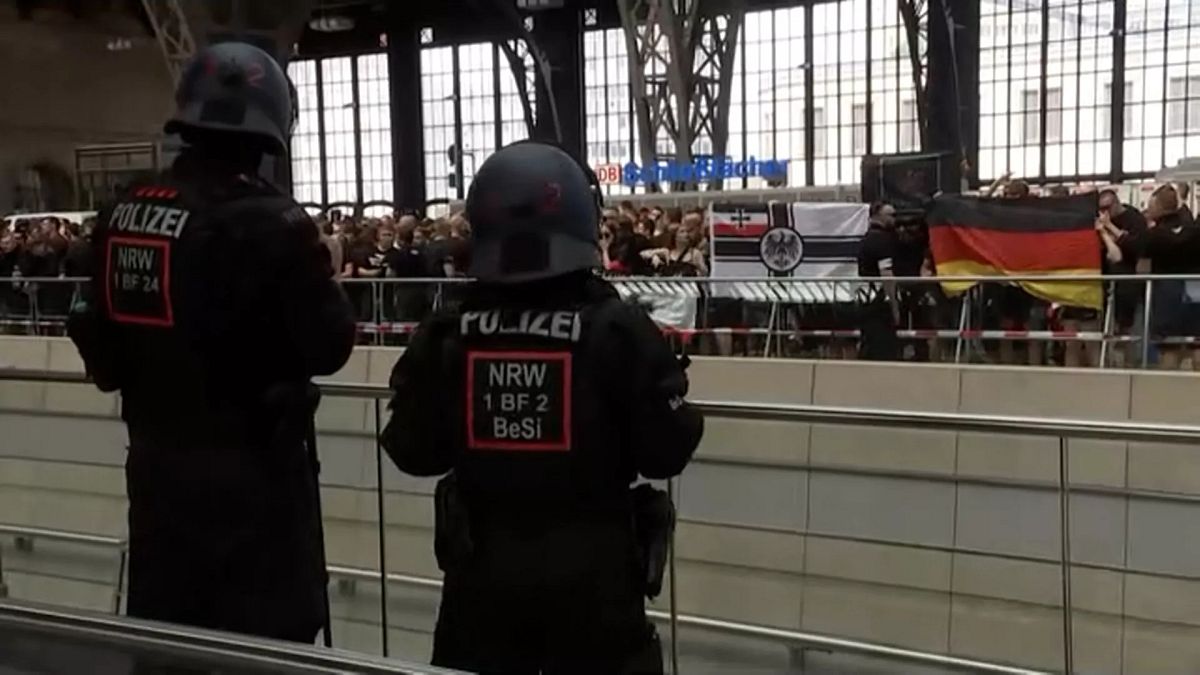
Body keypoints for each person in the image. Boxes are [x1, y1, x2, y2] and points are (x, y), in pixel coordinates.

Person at [66, 41, 356, 643]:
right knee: (262, 650)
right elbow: (329, 345)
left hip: (156, 475)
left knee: (169, 640)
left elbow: (96, 337)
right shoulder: (271, 222)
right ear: (270, 128)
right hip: (255, 492)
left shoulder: (125, 212)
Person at [381, 140, 703, 674]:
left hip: (479, 584)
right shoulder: (615, 330)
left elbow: (413, 452)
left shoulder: (450, 333)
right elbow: (666, 452)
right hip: (594, 588)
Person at [857, 201, 900, 360]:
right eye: (891, 215)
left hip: (865, 298)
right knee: (883, 347)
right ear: (879, 217)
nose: (895, 219)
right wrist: (894, 305)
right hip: (879, 302)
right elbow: (886, 274)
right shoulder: (882, 241)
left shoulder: (865, 239)